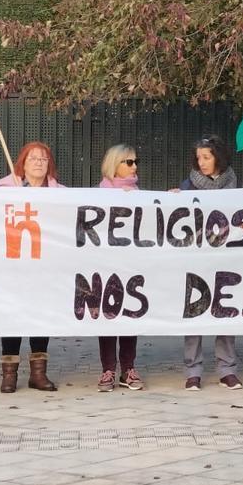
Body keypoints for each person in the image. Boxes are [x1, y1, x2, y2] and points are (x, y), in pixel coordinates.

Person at [175, 134, 243, 391]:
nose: (201, 162)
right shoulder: (187, 187)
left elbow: (242, 216)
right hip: (197, 259)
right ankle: (192, 371)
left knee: (225, 310)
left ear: (219, 157)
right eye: (198, 158)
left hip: (226, 258)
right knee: (195, 310)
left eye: (207, 157)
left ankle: (227, 370)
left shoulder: (235, 186)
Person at [0, 141, 63, 393]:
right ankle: (9, 374)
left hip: (43, 267)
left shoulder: (61, 195)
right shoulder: (2, 190)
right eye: (33, 158)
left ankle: (38, 373)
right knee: (12, 316)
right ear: (22, 163)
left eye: (43, 159)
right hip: (12, 265)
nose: (38, 163)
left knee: (39, 316)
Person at [94, 144, 145, 392]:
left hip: (131, 265)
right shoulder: (99, 194)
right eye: (128, 162)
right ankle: (108, 369)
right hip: (106, 264)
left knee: (130, 315)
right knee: (108, 316)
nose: (134, 166)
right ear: (114, 164)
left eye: (135, 162)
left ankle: (128, 368)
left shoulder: (139, 195)